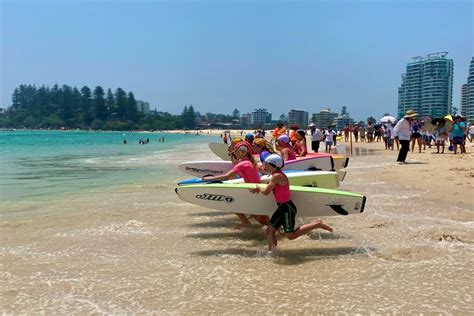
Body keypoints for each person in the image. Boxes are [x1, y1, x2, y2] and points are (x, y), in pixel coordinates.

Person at [250, 154, 333, 251]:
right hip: (281, 208)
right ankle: (273, 254)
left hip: (286, 208)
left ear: (274, 165)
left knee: (290, 235)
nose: (265, 166)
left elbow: (266, 192)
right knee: (270, 231)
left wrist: (258, 188)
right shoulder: (276, 174)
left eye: (267, 165)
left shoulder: (277, 176)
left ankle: (317, 224)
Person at [203, 142, 269, 228]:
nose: (234, 154)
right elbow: (262, 173)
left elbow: (227, 176)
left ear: (242, 152)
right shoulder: (250, 162)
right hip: (256, 190)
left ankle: (246, 222)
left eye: (235, 152)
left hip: (252, 192)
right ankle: (276, 230)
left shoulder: (242, 164)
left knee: (232, 202)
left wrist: (209, 178)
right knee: (261, 219)